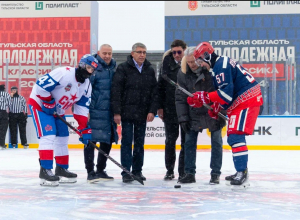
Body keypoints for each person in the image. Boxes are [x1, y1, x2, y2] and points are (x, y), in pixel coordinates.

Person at [189, 42, 263, 185]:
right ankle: (240, 170)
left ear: (207, 56)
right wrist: (217, 106)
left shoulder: (220, 66)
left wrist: (205, 97)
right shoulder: (219, 65)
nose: (200, 64)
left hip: (247, 100)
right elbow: (226, 95)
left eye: (199, 60)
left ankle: (242, 171)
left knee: (235, 135)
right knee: (233, 136)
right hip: (243, 100)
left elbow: (226, 94)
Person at [29, 54, 99, 187]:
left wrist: (84, 128)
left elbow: (82, 108)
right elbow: (40, 85)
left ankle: (61, 168)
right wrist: (48, 101)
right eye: (89, 67)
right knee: (48, 136)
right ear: (82, 65)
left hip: (58, 110)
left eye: (92, 70)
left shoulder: (87, 86)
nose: (90, 71)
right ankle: (45, 170)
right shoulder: (63, 73)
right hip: (40, 105)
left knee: (63, 137)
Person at [175, 47, 226, 184]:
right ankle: (189, 173)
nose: (192, 65)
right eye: (189, 62)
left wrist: (221, 110)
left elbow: (223, 92)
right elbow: (180, 98)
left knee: (216, 142)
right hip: (193, 113)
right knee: (189, 143)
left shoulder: (212, 70)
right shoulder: (183, 73)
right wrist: (183, 117)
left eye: (194, 61)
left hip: (213, 111)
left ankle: (215, 174)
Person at [111, 42, 158, 183]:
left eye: (144, 52)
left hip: (142, 113)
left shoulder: (149, 69)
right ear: (132, 54)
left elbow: (154, 93)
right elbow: (116, 91)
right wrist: (117, 112)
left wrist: (152, 110)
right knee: (126, 142)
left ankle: (137, 171)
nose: (142, 55)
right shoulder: (123, 68)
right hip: (126, 113)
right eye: (139, 52)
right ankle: (126, 172)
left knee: (139, 144)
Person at [85, 44, 119, 183]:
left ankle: (100, 170)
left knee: (107, 141)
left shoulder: (114, 68)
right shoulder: (92, 69)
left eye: (109, 53)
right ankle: (90, 172)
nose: (107, 56)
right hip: (94, 111)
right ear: (99, 53)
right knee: (90, 141)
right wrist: (85, 110)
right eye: (104, 53)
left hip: (109, 112)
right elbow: (85, 89)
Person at [157, 39, 187, 181]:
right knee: (170, 140)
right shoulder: (166, 65)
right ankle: (169, 170)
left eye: (179, 52)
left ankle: (183, 171)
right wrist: (160, 107)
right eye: (174, 52)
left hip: (187, 109)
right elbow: (160, 88)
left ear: (184, 51)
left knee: (186, 141)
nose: (176, 55)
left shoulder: (190, 63)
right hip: (170, 108)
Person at [0, 84, 11, 150]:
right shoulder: (6, 94)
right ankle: (2, 144)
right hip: (3, 112)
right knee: (3, 129)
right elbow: (9, 104)